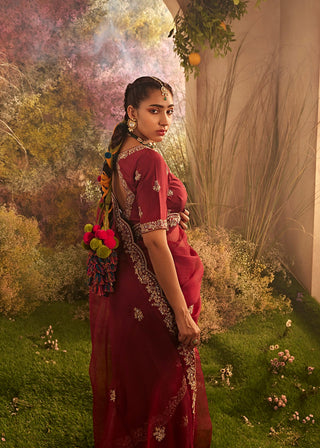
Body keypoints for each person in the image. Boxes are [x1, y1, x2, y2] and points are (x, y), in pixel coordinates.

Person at [86, 76, 212, 448]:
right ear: (131, 112)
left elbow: (136, 214)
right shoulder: (150, 158)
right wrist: (181, 314)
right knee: (164, 388)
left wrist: (173, 214)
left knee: (137, 392)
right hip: (153, 292)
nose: (164, 121)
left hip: (127, 289)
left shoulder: (121, 151)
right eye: (154, 111)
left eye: (169, 111)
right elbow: (155, 244)